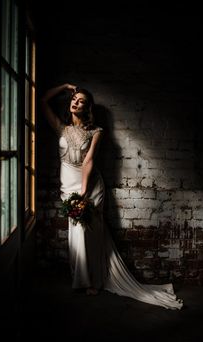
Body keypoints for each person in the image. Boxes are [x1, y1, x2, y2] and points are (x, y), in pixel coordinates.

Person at [41, 83, 183, 309]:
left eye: (81, 101)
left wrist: (84, 193)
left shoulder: (96, 131)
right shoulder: (62, 128)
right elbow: (43, 101)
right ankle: (80, 278)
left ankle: (94, 281)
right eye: (73, 99)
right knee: (75, 234)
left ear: (88, 108)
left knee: (90, 232)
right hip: (67, 185)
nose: (75, 102)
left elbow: (88, 161)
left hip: (89, 185)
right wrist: (64, 87)